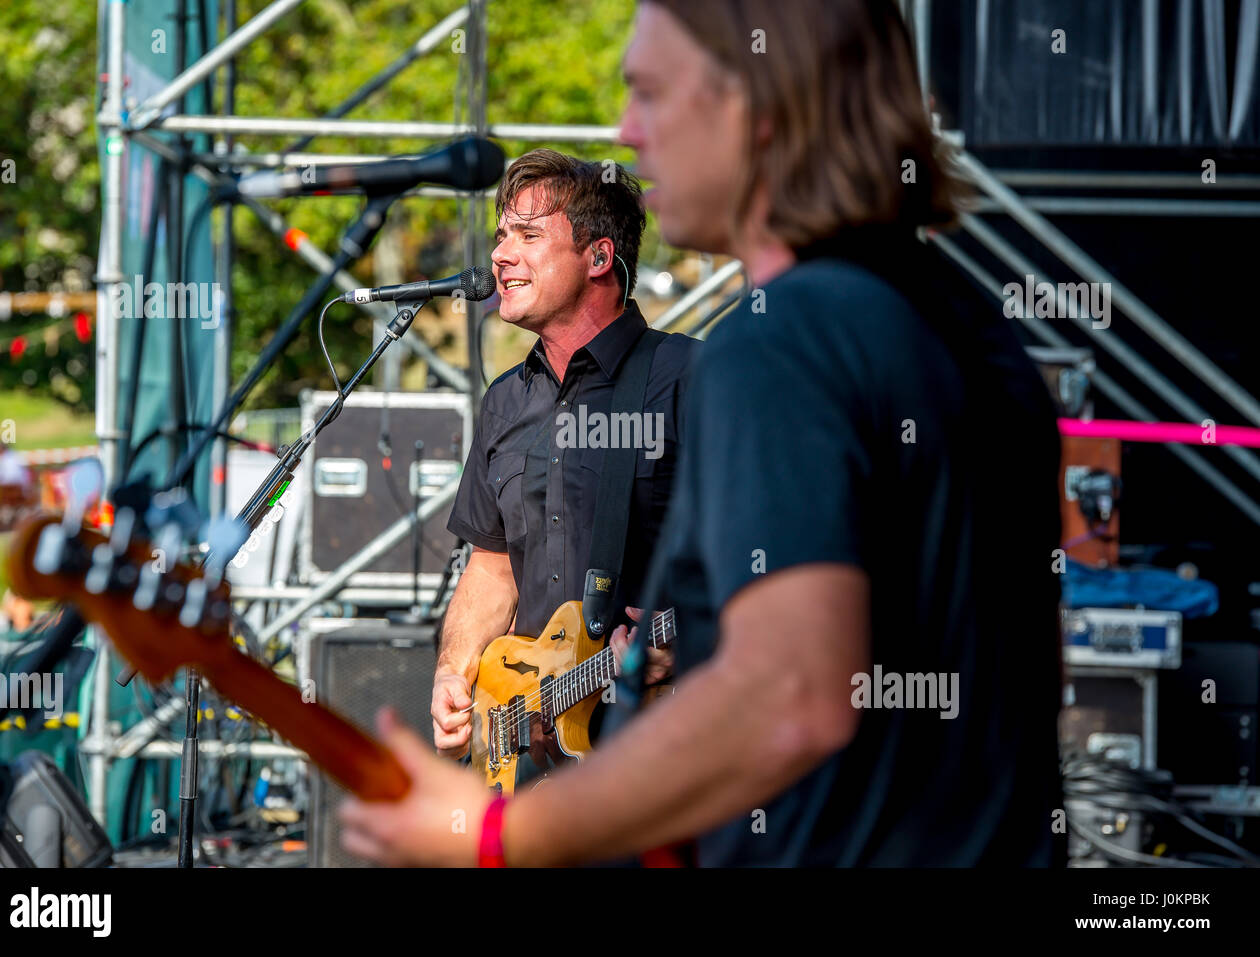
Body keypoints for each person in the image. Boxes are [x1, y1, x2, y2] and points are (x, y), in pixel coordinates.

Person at [340, 0, 1063, 867]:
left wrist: (502, 833)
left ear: (755, 104)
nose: (628, 131)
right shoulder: (975, 331)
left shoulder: (779, 340)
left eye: (649, 91)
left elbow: (789, 696)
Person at [429, 149, 696, 782]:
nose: (499, 254)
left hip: (657, 746)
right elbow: (493, 568)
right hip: (532, 754)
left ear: (599, 258)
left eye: (527, 234)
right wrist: (453, 670)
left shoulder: (690, 379)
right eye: (500, 235)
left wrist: (689, 643)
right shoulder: (505, 400)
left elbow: (761, 554)